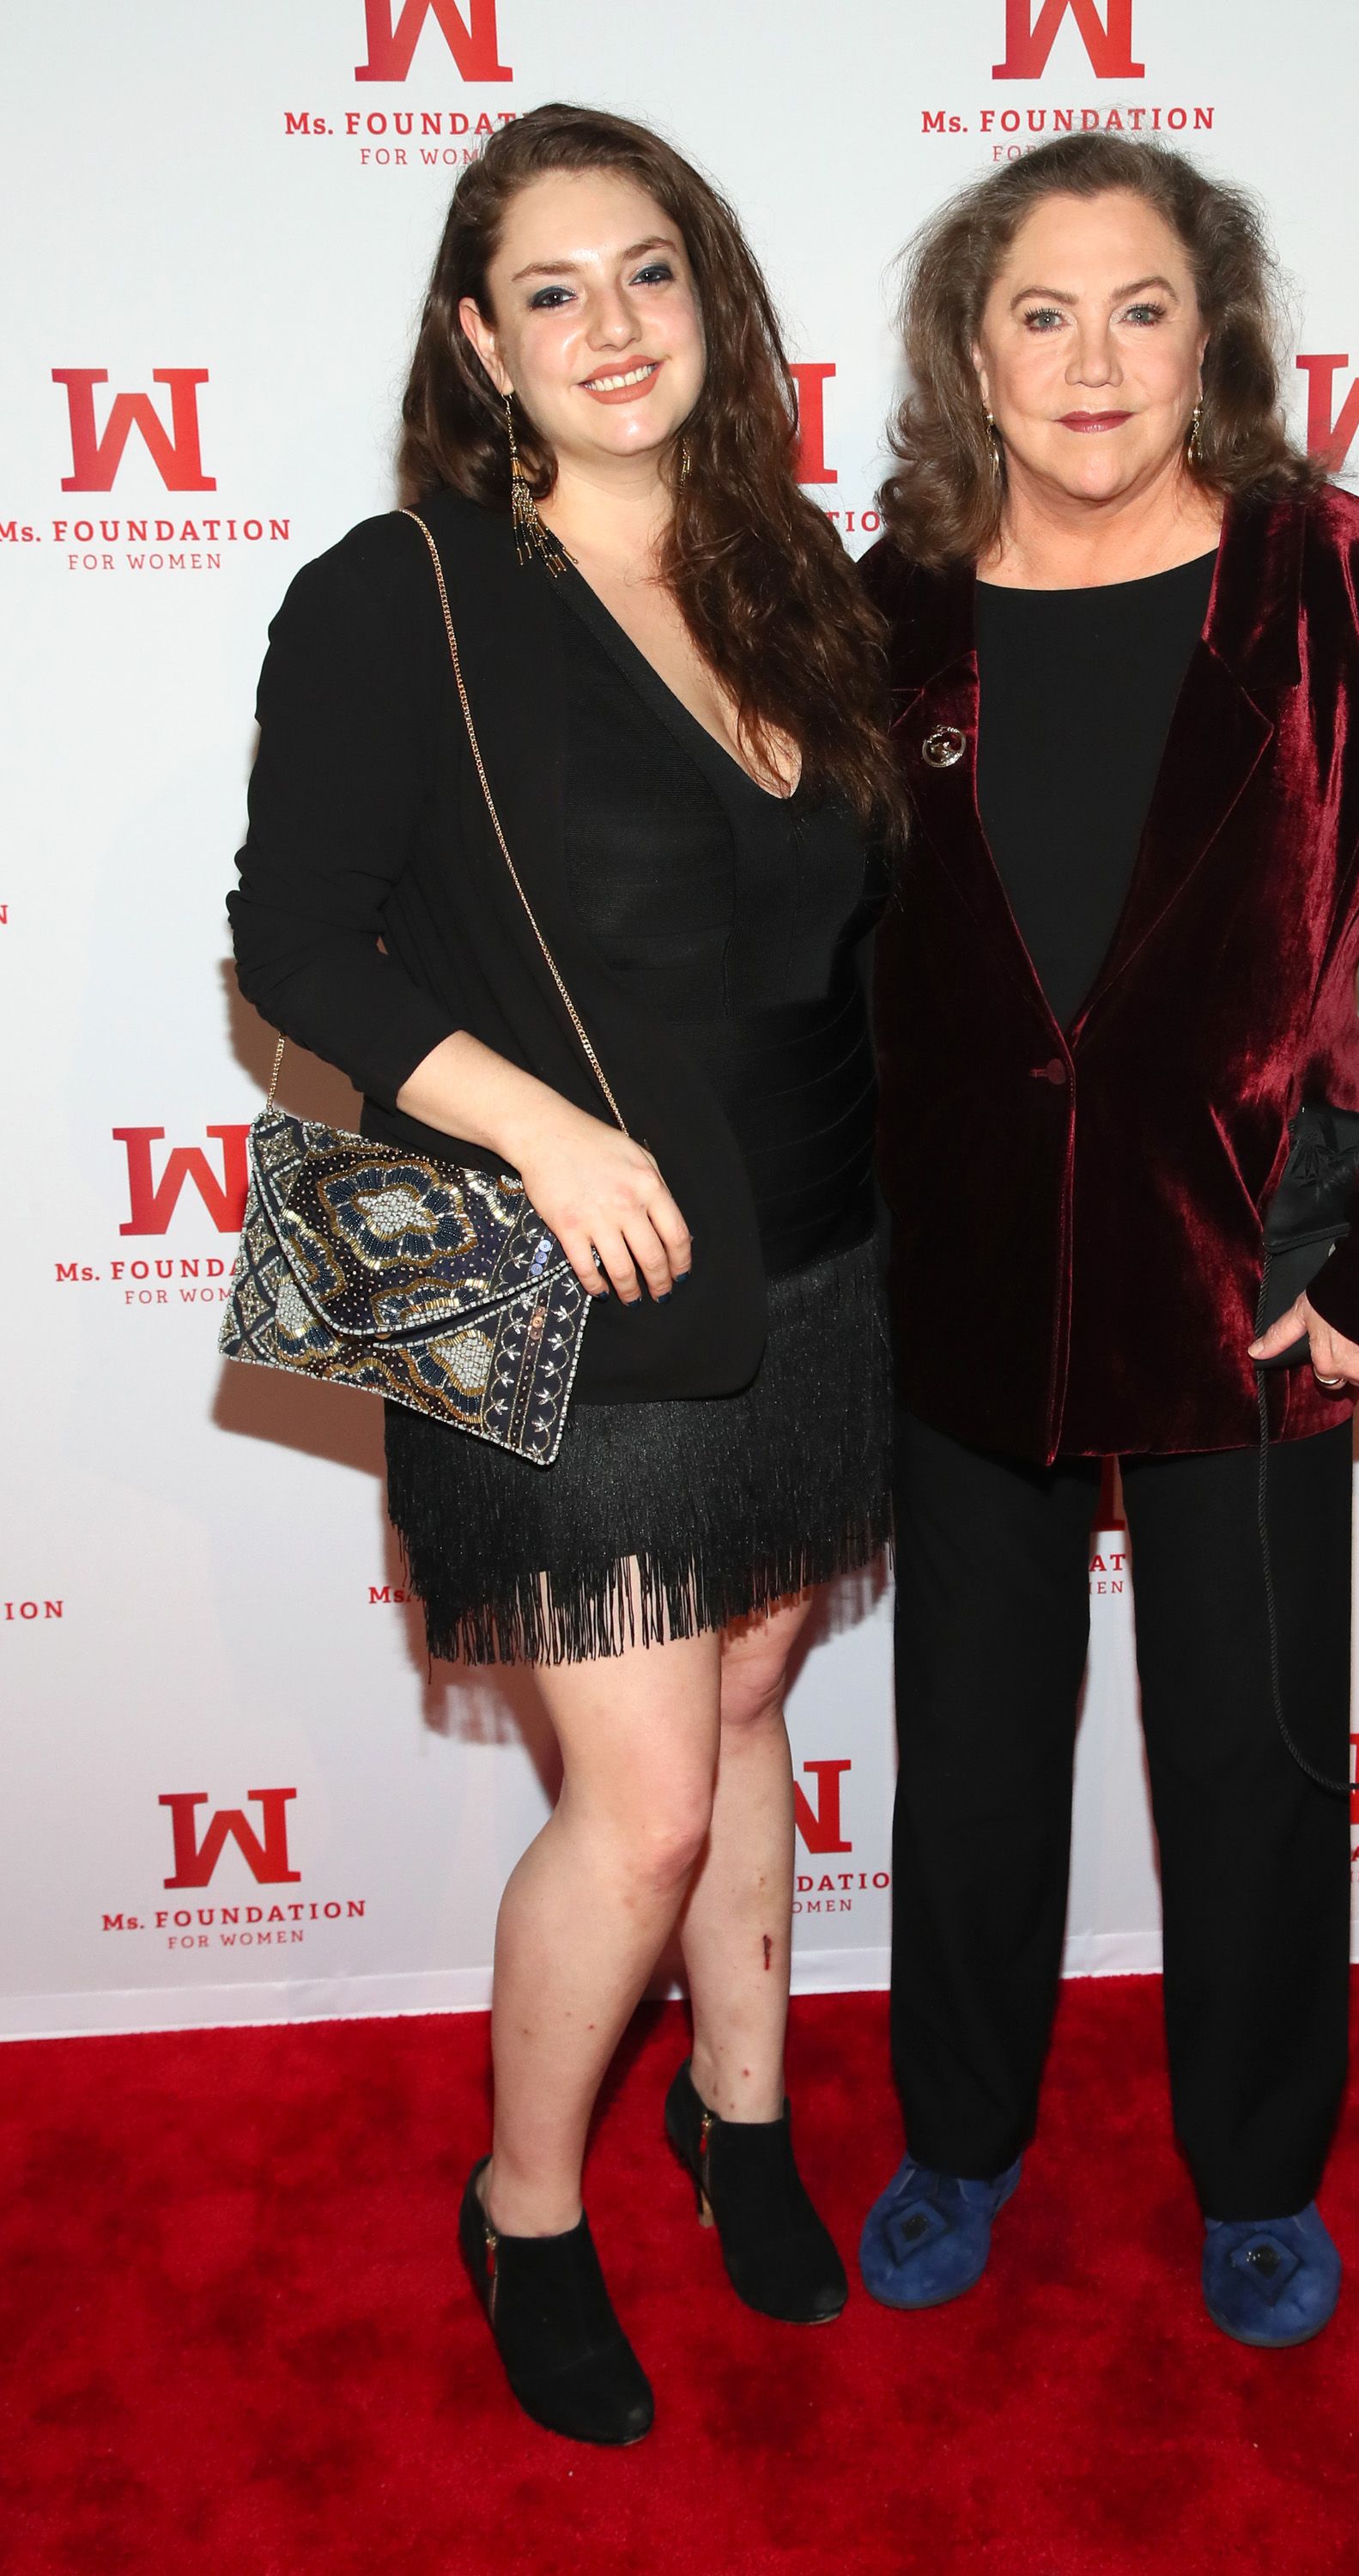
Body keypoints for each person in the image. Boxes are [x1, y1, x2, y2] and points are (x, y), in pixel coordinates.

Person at [229, 105, 900, 2442]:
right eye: (552, 291)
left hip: (819, 1272)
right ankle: (527, 2209)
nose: (612, 328)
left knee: (740, 1730)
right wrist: (534, 1121)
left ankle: (737, 2121)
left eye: (650, 275)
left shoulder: (787, 566)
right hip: (551, 1290)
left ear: (711, 303)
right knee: (646, 1809)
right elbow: (294, 939)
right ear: (475, 339)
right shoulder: (396, 593)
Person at [856, 133, 1359, 2347]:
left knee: (1248, 1766)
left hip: (1255, 1286)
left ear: (1212, 335)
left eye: (1140, 307)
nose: (1091, 359)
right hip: (960, 1290)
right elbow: (825, 966)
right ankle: (958, 2138)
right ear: (973, 349)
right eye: (1039, 312)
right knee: (963, 1755)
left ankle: (1257, 2175)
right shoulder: (897, 610)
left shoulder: (1334, 580)